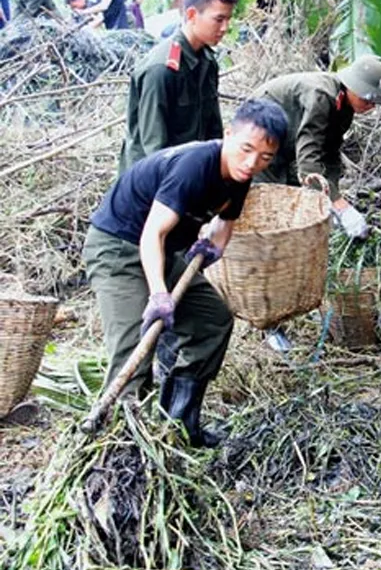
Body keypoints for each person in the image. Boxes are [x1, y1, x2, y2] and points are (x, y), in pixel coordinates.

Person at [83, 99, 289, 447]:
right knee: (135, 346)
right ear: (228, 135)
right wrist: (158, 294)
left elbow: (225, 221)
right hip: (119, 247)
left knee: (213, 319)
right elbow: (152, 234)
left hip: (162, 250)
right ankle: (121, 447)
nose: (252, 163)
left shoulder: (239, 177)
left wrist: (213, 247)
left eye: (265, 157)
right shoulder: (194, 166)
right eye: (246, 149)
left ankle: (178, 426)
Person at [251, 55, 381, 239]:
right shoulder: (321, 96)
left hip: (286, 140)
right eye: (366, 99)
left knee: (301, 202)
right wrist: (339, 205)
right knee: (271, 206)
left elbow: (330, 154)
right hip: (259, 137)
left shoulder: (345, 107)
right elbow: (308, 157)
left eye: (374, 103)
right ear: (351, 86)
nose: (371, 107)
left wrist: (332, 195)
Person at [120, 0, 238, 172]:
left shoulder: (208, 62)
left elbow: (213, 131)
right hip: (153, 178)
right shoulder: (161, 69)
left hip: (190, 170)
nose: (225, 28)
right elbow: (154, 149)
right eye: (219, 19)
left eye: (228, 20)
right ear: (191, 15)